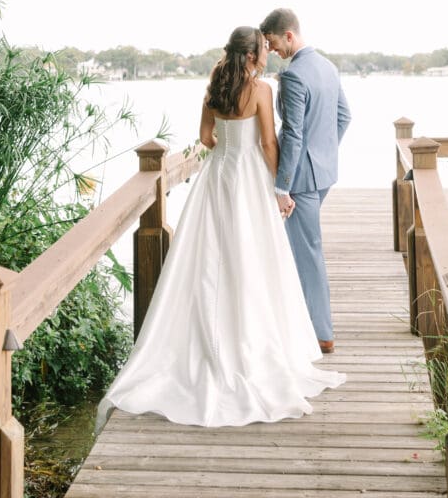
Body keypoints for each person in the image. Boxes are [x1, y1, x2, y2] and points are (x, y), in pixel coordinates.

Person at [96, 26, 345, 430]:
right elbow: (268, 144)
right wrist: (281, 190)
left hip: (217, 179)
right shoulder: (261, 90)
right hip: (250, 180)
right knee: (255, 259)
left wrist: (226, 149)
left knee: (210, 260)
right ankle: (252, 346)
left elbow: (205, 137)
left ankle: (207, 341)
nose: (266, 54)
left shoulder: (214, 87)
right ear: (251, 56)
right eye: (263, 49)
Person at [260, 8, 351, 354]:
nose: (272, 52)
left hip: (299, 179)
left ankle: (322, 334)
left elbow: (294, 134)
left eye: (273, 44)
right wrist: (324, 152)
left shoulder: (294, 75)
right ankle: (300, 324)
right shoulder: (328, 66)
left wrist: (282, 185)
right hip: (323, 173)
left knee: (308, 252)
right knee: (300, 248)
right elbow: (344, 116)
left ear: (288, 36)